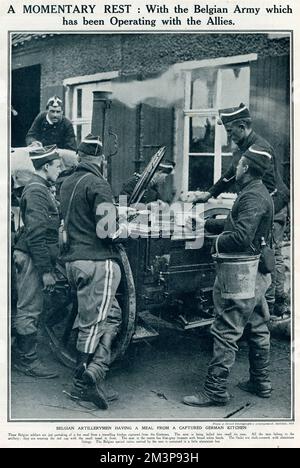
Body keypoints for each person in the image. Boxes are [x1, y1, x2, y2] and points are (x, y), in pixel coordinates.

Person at [183, 145, 274, 407]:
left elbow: (241, 236)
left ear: (246, 168)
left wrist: (215, 243)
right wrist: (207, 224)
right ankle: (261, 382)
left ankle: (215, 391)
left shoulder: (252, 197)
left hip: (242, 272)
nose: (236, 168)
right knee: (257, 326)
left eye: (239, 164)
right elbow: (240, 223)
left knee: (226, 330)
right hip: (257, 272)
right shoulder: (257, 192)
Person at [191, 103, 289, 318]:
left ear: (242, 126)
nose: (229, 136)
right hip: (261, 203)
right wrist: (209, 195)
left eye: (230, 131)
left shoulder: (259, 149)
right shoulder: (246, 147)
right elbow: (230, 173)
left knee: (269, 253)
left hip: (273, 204)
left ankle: (274, 307)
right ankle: (259, 304)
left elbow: (269, 192)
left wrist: (256, 215)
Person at [60, 133, 123, 410]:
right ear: (100, 160)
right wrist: (125, 227)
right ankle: (81, 385)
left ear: (79, 156)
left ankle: (95, 372)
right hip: (98, 261)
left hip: (73, 262)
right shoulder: (99, 183)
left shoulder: (66, 182)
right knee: (93, 325)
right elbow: (107, 232)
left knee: (112, 314)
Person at [13, 145, 62, 378]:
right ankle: (27, 361)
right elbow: (36, 235)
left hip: (34, 255)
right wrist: (45, 271)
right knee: (29, 308)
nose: (60, 169)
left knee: (31, 307)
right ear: (45, 167)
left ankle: (20, 353)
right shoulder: (36, 191)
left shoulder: (41, 188)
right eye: (57, 166)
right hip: (32, 257)